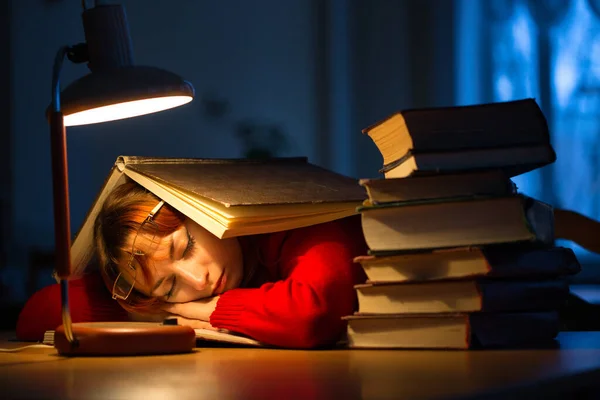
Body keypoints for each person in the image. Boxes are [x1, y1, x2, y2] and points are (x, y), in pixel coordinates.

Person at [17, 179, 368, 348]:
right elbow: (40, 313)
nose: (196, 281)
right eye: (170, 286)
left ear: (202, 209)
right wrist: (147, 308)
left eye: (186, 247)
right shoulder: (168, 291)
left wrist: (200, 310)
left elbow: (311, 314)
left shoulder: (298, 223)